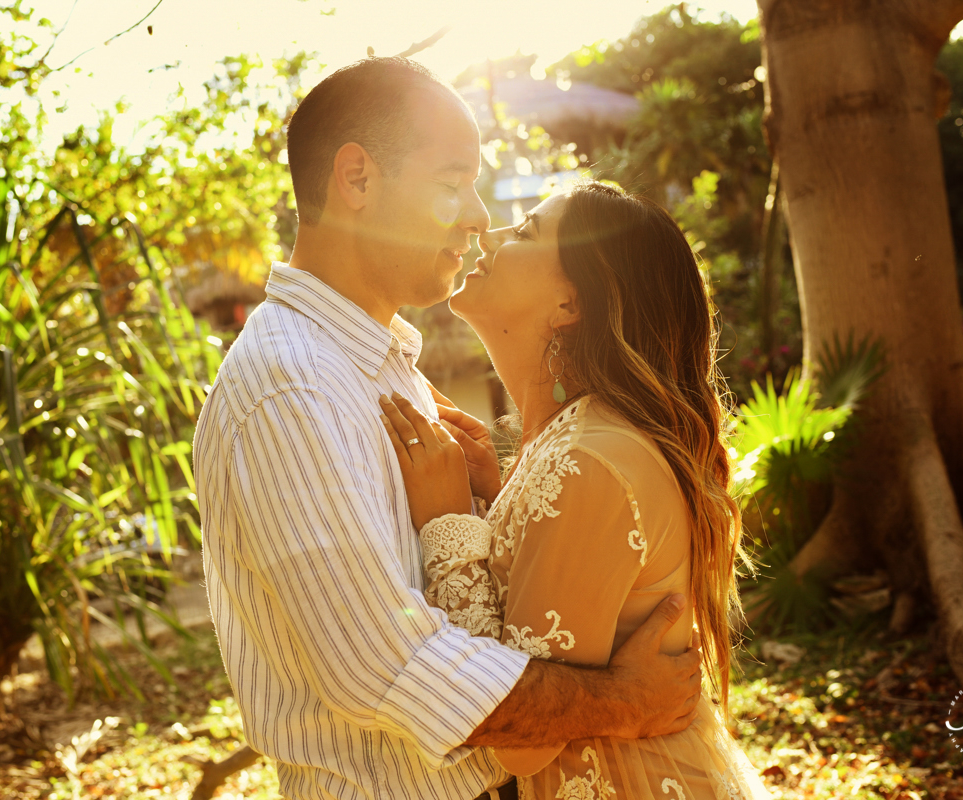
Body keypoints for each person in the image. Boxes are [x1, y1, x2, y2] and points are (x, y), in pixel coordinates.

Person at [192, 56, 704, 800]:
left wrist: (487, 516)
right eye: (450, 182)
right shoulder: (290, 386)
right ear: (357, 179)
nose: (476, 213)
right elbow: (386, 668)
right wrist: (626, 703)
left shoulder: (379, 362)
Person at [376, 182, 774, 799]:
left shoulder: (588, 458)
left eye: (526, 230)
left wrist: (449, 521)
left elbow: (521, 741)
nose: (491, 234)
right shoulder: (575, 443)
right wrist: (493, 499)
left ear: (569, 303)